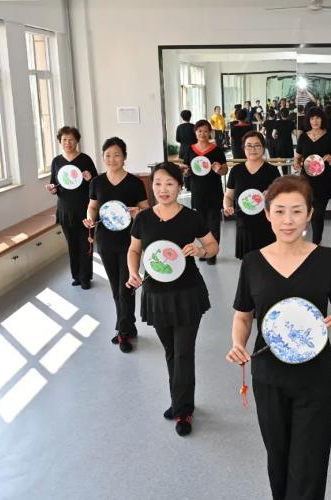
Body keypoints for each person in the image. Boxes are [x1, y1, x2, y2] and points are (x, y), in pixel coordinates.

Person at [226, 175, 331, 500]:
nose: (288, 220)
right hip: (269, 376)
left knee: (310, 461)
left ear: (309, 214)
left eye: (296, 211)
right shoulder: (253, 262)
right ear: (267, 214)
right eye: (280, 211)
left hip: (316, 376)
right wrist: (238, 343)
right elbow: (243, 316)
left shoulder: (327, 259)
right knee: (279, 457)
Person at [126, 162, 218, 436]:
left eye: (169, 183)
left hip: (188, 294)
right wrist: (133, 272)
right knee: (170, 352)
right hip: (156, 296)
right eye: (157, 183)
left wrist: (200, 251)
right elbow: (134, 250)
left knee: (183, 353)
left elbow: (213, 245)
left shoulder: (192, 217)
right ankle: (179, 400)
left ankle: (183, 410)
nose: (163, 189)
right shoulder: (143, 219)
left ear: (179, 186)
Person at [84, 137, 149, 353]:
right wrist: (90, 218)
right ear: (103, 157)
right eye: (108, 155)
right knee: (116, 288)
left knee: (126, 287)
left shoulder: (135, 183)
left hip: (130, 241)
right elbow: (93, 207)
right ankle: (128, 325)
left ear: (125, 157)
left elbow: (146, 210)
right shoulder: (97, 182)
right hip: (105, 240)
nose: (112, 159)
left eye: (117, 155)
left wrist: (137, 212)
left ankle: (122, 332)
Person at [46, 126, 97, 289]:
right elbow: (54, 184)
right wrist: (52, 189)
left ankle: (85, 277)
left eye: (71, 140)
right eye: (64, 140)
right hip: (65, 210)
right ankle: (76, 275)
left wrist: (89, 179)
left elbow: (96, 184)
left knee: (86, 244)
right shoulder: (56, 161)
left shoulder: (85, 159)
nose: (67, 143)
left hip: (85, 209)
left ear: (77, 141)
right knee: (72, 244)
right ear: (60, 141)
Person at [223, 131, 281, 259]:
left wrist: (271, 195)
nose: (253, 149)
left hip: (266, 223)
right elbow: (228, 196)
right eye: (249, 146)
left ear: (263, 147)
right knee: (248, 261)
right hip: (244, 224)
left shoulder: (272, 171)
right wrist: (227, 206)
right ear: (243, 148)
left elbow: (280, 197)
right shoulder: (236, 170)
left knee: (267, 261)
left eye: (257, 145)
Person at [293, 107, 331, 245]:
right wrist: (296, 164)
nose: (315, 121)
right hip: (306, 181)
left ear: (322, 119)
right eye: (312, 118)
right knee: (305, 212)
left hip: (323, 181)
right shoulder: (303, 137)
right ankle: (300, 239)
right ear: (308, 120)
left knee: (318, 214)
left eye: (318, 118)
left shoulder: (330, 136)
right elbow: (297, 157)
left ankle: (316, 243)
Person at [184, 120, 228, 265]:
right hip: (197, 191)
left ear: (210, 132)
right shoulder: (190, 150)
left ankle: (212, 254)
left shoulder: (216, 150)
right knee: (200, 224)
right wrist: (185, 172)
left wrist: (219, 169)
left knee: (213, 223)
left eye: (205, 131)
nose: (202, 134)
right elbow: (186, 169)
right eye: (199, 131)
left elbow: (225, 170)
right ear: (195, 132)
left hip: (214, 191)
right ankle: (204, 251)